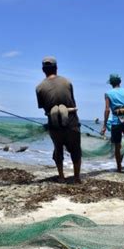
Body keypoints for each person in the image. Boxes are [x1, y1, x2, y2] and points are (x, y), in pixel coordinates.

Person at [36, 56, 82, 184]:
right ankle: (77, 177)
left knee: (58, 148)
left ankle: (61, 176)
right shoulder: (67, 82)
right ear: (56, 68)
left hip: (53, 121)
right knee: (75, 149)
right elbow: (72, 101)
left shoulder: (39, 87)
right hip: (71, 119)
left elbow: (43, 107)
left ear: (43, 70)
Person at [101, 74, 124, 173]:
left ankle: (119, 167)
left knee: (117, 145)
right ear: (120, 82)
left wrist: (104, 125)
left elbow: (107, 110)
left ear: (111, 83)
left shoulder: (108, 93)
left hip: (116, 121)